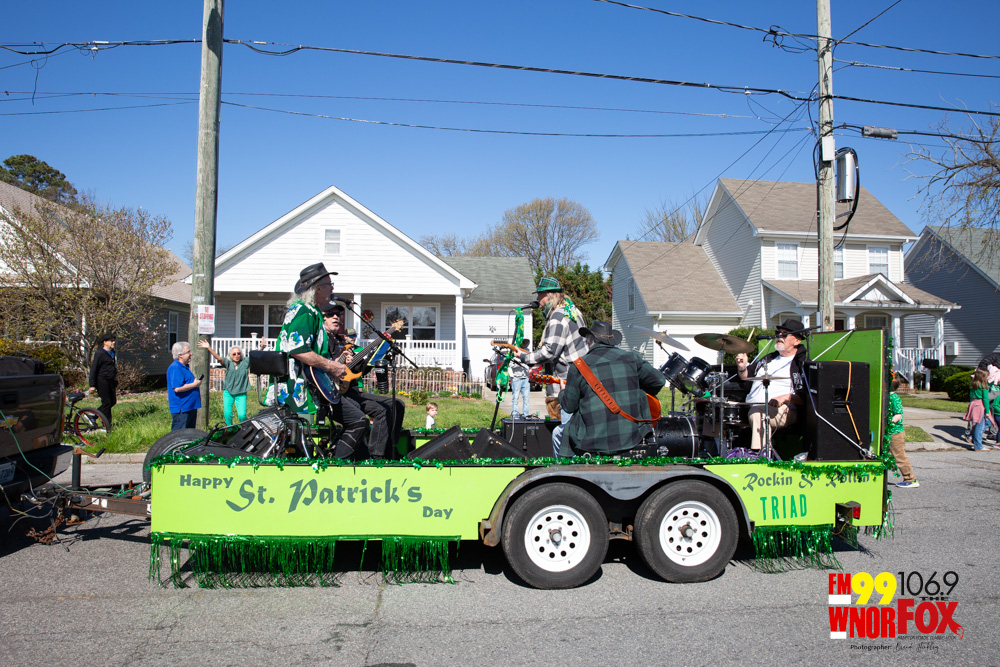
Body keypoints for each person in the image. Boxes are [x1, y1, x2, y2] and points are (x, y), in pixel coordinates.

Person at [278, 264, 360, 458]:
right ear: (318, 288)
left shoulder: (311, 311)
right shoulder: (304, 311)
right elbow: (298, 349)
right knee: (297, 441)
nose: (332, 288)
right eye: (330, 284)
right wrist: (331, 366)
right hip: (297, 388)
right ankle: (333, 465)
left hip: (309, 384)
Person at [559, 321, 665, 455]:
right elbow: (659, 381)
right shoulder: (631, 358)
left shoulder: (578, 366)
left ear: (590, 340)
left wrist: (562, 392)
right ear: (611, 340)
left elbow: (569, 407)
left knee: (558, 434)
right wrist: (638, 388)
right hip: (631, 436)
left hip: (590, 442)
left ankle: (562, 467)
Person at [321, 301, 404, 459]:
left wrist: (374, 355)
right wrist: (337, 362)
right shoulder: (322, 341)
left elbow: (358, 371)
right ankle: (376, 456)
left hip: (351, 391)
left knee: (397, 404)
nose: (336, 317)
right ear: (322, 318)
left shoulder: (342, 343)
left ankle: (389, 449)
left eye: (338, 314)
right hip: (334, 393)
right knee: (381, 411)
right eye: (331, 314)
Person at [516, 277, 588, 456]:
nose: (538, 300)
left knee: (566, 437)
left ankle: (566, 469)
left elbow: (550, 352)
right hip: (582, 380)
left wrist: (524, 357)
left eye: (539, 295)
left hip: (567, 384)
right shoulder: (573, 311)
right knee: (574, 432)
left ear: (548, 296)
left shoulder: (557, 316)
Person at [736, 318, 810, 453]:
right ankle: (711, 452)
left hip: (784, 409)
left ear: (797, 341)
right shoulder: (768, 358)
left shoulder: (801, 363)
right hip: (751, 405)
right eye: (778, 333)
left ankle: (761, 456)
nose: (779, 336)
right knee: (715, 407)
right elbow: (746, 377)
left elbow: (807, 397)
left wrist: (785, 397)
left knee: (758, 413)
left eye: (785, 334)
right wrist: (742, 367)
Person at [197, 340, 251, 425]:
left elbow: (254, 356)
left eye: (238, 353)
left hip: (241, 393)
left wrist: (262, 347)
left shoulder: (245, 362)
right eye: (234, 354)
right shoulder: (228, 363)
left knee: (242, 415)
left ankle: (247, 427)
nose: (236, 355)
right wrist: (208, 348)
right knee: (227, 415)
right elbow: (218, 358)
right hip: (228, 392)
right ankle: (229, 429)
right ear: (230, 355)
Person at [888, 377, 919, 488]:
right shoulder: (886, 397)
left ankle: (910, 479)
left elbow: (898, 414)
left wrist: (890, 422)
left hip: (895, 432)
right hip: (889, 432)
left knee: (899, 456)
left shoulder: (894, 398)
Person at [167, 341, 201, 431]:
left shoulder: (185, 367)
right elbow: (177, 388)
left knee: (188, 435)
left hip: (190, 406)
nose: (191, 354)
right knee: (179, 435)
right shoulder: (175, 367)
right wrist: (195, 384)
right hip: (182, 408)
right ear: (180, 355)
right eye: (188, 352)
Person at [88, 332, 118, 426]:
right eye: (111, 341)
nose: (113, 342)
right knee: (107, 402)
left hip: (110, 381)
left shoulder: (112, 352)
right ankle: (107, 425)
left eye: (113, 341)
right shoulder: (100, 353)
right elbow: (94, 369)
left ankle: (93, 415)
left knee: (112, 401)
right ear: (105, 342)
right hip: (102, 381)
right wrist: (92, 385)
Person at [966, 368, 996, 451]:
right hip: (980, 405)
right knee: (980, 425)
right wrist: (987, 411)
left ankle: (973, 436)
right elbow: (985, 399)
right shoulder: (984, 387)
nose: (989, 377)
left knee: (987, 422)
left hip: (973, 404)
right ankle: (978, 445)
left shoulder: (973, 385)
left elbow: (970, 396)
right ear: (983, 377)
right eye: (988, 376)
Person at [509, 338, 531, 420]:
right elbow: (511, 365)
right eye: (523, 343)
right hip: (517, 378)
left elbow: (530, 363)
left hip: (526, 378)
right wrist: (520, 362)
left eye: (526, 343)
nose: (525, 344)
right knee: (515, 397)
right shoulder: (514, 351)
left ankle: (526, 414)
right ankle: (515, 414)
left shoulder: (528, 352)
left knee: (526, 398)